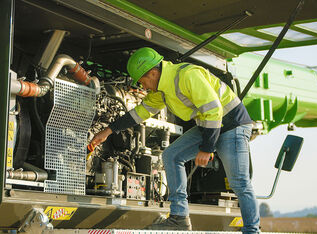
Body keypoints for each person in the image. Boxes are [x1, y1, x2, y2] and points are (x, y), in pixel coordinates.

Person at [90, 47, 260, 233]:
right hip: (208, 124)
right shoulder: (161, 91)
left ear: (153, 73)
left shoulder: (187, 75)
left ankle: (252, 230)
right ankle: (179, 217)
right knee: (171, 155)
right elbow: (141, 112)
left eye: (143, 81)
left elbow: (213, 110)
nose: (143, 87)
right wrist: (108, 131)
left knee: (239, 183)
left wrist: (207, 148)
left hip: (232, 124)